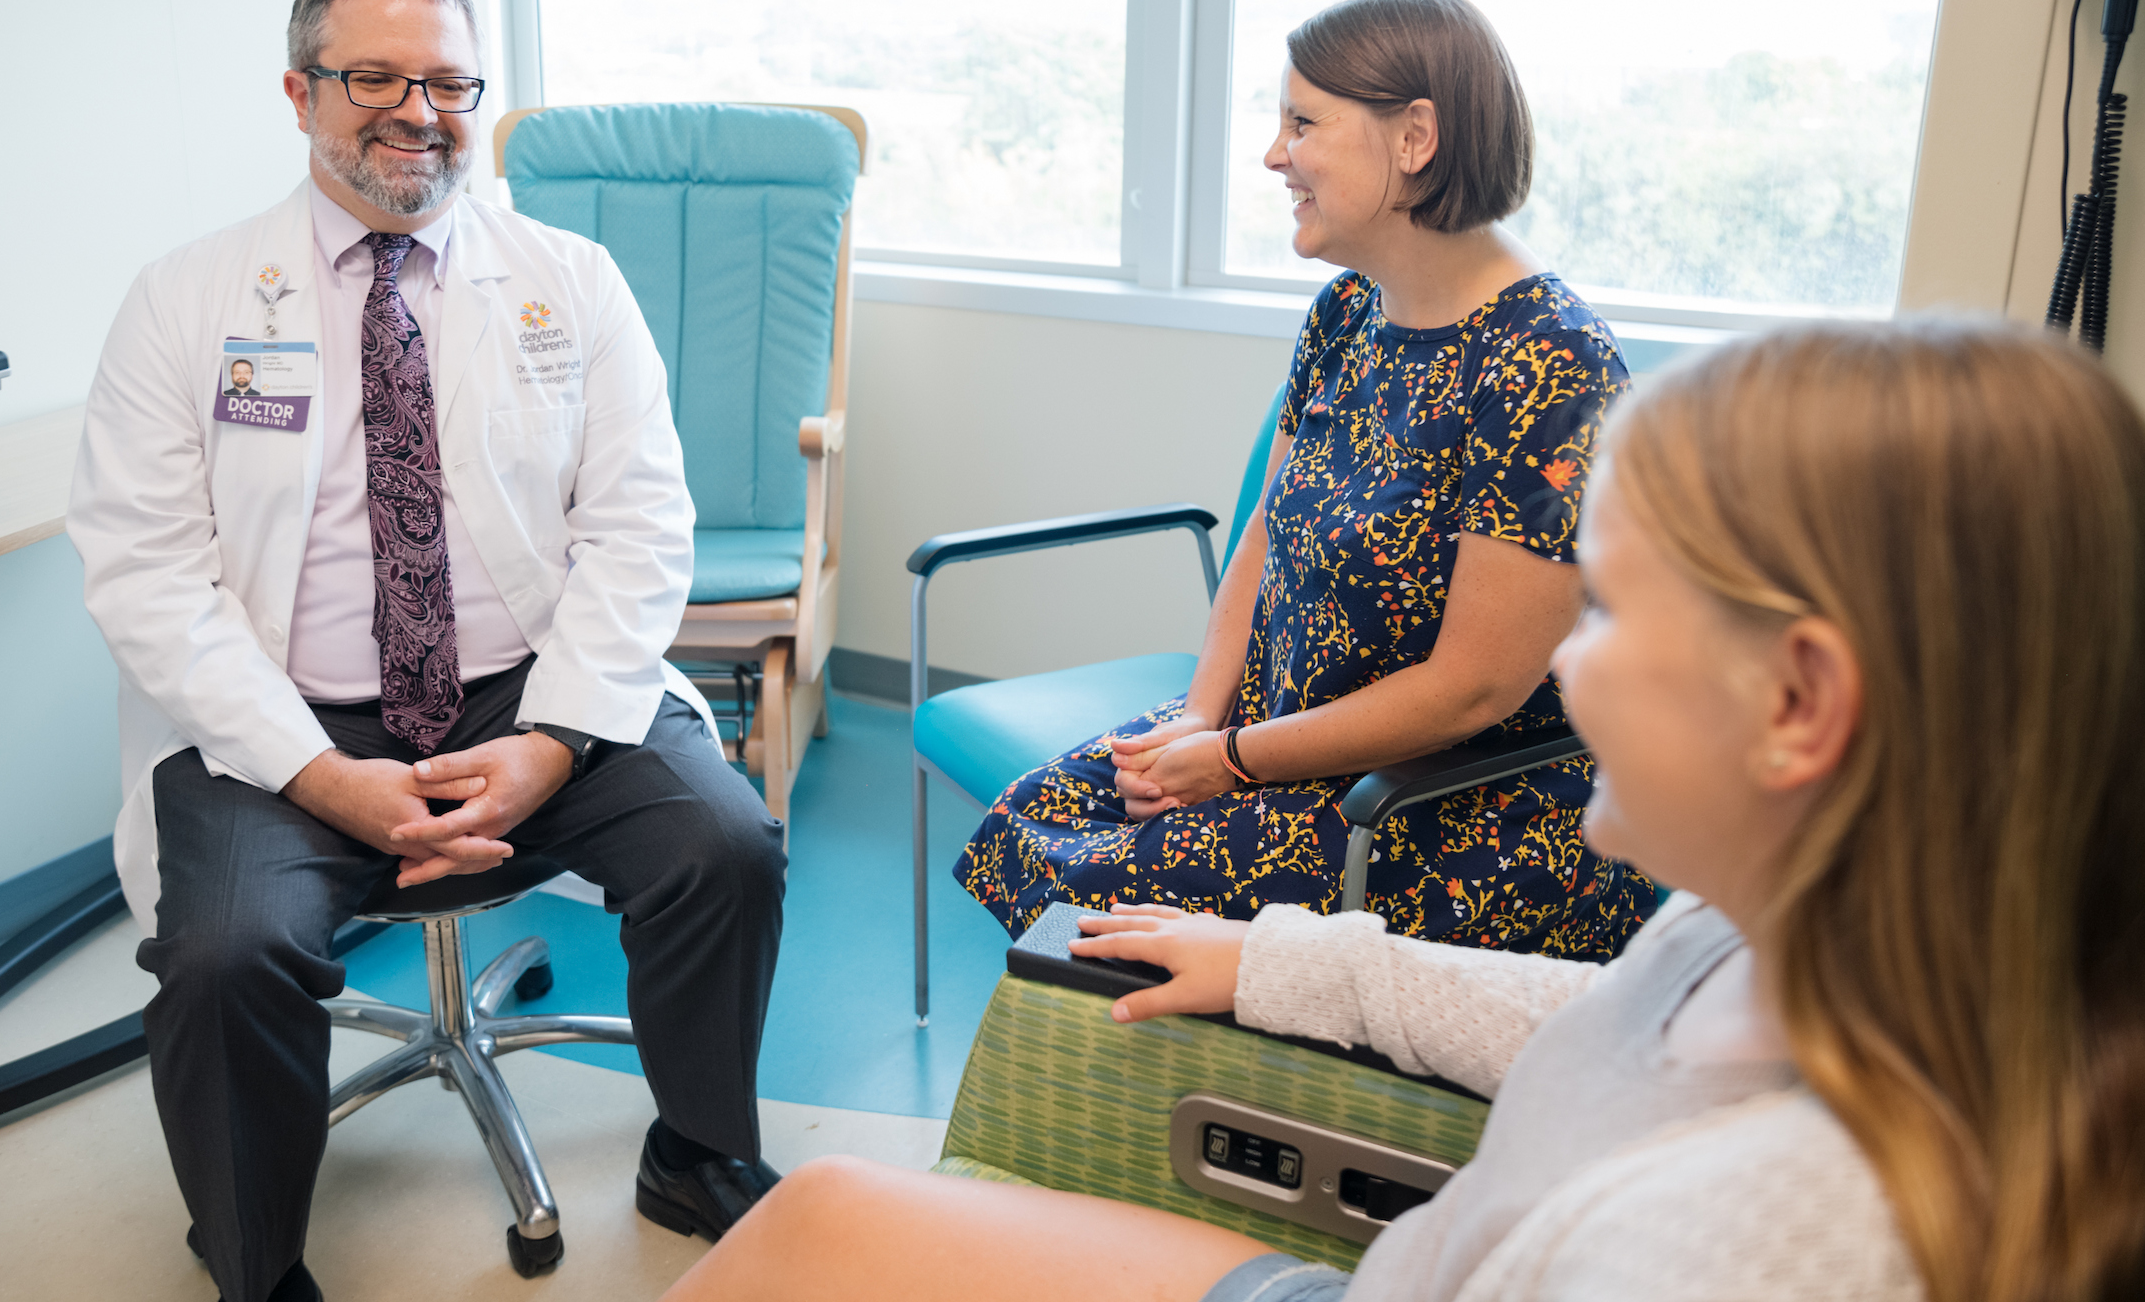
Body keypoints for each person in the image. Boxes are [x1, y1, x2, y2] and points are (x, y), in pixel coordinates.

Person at [668, 315, 2145, 1302]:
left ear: (1800, 704)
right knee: (828, 1218)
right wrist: (1288, 960)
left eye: (1615, 608)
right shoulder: (1783, 936)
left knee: (821, 1232)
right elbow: (1594, 1019)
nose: (1562, 665)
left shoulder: (1747, 1245)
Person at [67, 0, 788, 1302]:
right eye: (373, 79)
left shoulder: (566, 281)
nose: (418, 112)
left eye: (449, 82)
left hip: (531, 690)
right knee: (226, 953)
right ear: (298, 92)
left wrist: (559, 741)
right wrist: (320, 775)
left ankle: (696, 1147)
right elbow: (145, 572)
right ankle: (254, 1260)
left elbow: (642, 525)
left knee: (725, 847)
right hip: (279, 717)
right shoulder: (187, 300)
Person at [958, 0, 1655, 961]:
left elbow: (1472, 690)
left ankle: (1194, 1105)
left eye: (1302, 123)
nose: (1274, 155)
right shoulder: (1346, 313)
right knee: (1033, 816)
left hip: (1452, 801)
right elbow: (1264, 536)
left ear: (1414, 138)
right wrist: (1200, 716)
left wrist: (1230, 759)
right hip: (1283, 738)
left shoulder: (1547, 362)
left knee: (1114, 884)